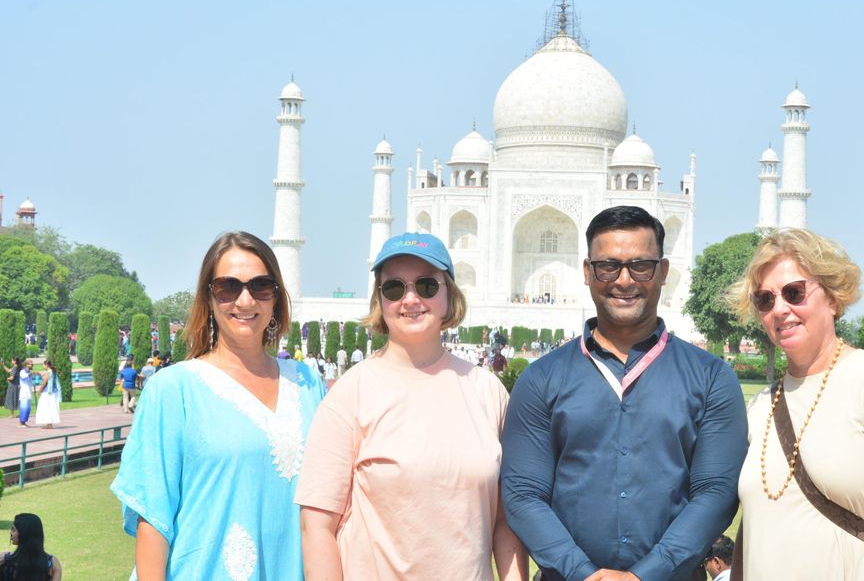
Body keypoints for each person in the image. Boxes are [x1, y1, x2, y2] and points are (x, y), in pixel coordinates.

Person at [501, 206, 748, 581]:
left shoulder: (710, 377)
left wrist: (645, 575)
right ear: (587, 272)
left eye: (641, 266)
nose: (624, 280)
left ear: (663, 272)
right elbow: (523, 494)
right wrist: (581, 572)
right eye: (608, 266)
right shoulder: (543, 379)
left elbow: (716, 492)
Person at [295, 232, 528, 581]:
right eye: (394, 288)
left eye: (426, 286)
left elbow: (504, 522)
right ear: (380, 300)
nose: (410, 299)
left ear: (449, 294)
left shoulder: (486, 391)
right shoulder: (352, 393)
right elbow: (317, 526)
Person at [725, 228, 864, 580]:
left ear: (833, 298)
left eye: (794, 293)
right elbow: (753, 530)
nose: (780, 309)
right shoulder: (762, 405)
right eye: (765, 300)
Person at [111, 231, 324, 580]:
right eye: (228, 287)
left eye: (261, 286)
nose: (245, 300)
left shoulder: (306, 382)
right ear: (208, 299)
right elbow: (153, 513)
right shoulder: (175, 389)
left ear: (275, 299)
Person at [0, 513, 63, 580]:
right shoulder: (53, 563)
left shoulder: (4, 560)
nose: (11, 533)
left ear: (24, 533)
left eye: (13, 529)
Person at [34, 360, 61, 429]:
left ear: (46, 365)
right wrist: (38, 373)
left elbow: (44, 383)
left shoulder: (48, 372)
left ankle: (49, 423)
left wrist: (39, 391)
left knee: (46, 407)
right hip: (53, 392)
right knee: (51, 407)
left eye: (43, 365)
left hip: (47, 393)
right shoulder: (53, 372)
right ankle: (49, 424)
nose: (42, 366)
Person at [17, 360, 34, 427]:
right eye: (30, 364)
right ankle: (21, 422)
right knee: (23, 407)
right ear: (26, 365)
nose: (32, 365)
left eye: (32, 364)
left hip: (29, 392)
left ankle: (24, 422)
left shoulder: (29, 372)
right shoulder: (22, 371)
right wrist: (31, 373)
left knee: (28, 408)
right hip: (24, 392)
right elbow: (24, 377)